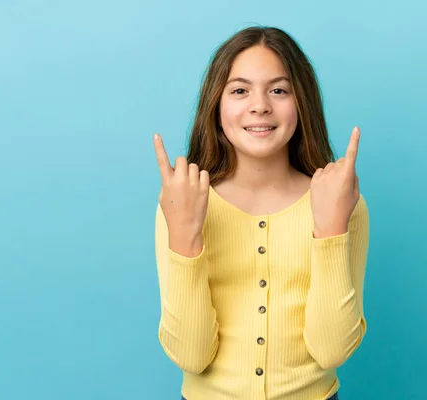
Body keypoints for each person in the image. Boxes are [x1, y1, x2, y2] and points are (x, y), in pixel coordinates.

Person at [153, 25, 370, 400]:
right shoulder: (181, 202)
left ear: (301, 103)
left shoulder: (342, 200)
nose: (260, 106)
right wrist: (185, 237)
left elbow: (333, 350)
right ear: (216, 105)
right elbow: (190, 356)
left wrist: (331, 229)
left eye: (279, 90)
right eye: (239, 90)